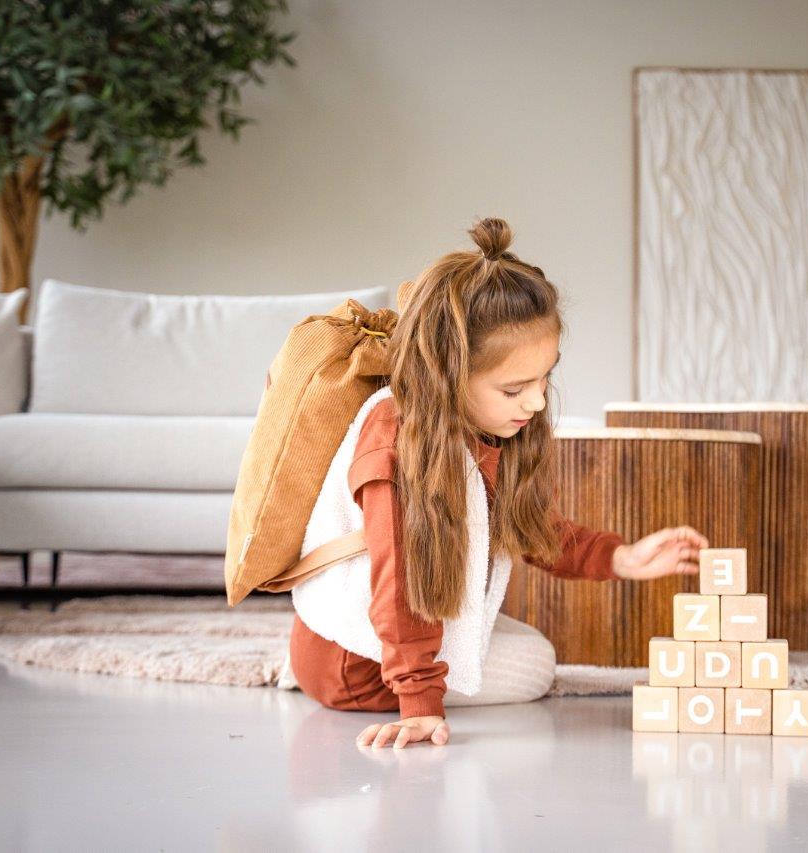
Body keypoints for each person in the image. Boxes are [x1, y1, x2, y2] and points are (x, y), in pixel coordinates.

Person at [287, 216, 708, 749]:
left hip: (366, 643)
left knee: (516, 644)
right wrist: (420, 705)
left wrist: (620, 557)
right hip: (354, 667)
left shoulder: (468, 425)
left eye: (545, 378)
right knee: (535, 663)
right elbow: (400, 582)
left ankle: (345, 662)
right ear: (448, 375)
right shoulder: (397, 442)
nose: (536, 401)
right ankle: (334, 672)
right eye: (514, 389)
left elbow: (526, 528)